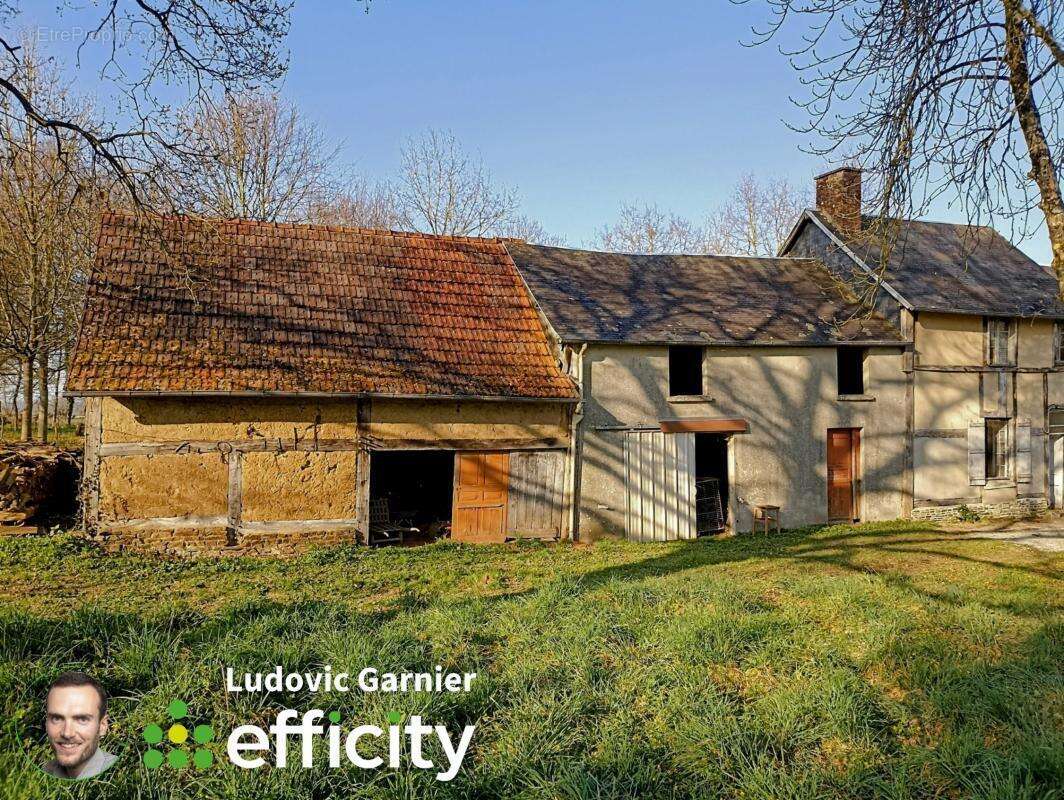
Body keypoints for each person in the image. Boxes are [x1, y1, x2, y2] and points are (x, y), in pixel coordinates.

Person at [42, 672, 118, 780]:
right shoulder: (43, 773)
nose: (67, 733)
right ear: (46, 723)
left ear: (102, 726)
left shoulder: (120, 775)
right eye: (57, 718)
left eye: (82, 719)